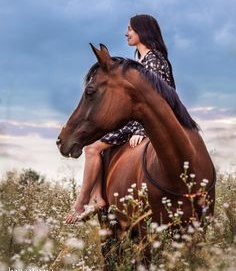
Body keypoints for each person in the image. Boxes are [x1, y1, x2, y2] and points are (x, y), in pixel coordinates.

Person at [66, 14, 176, 223]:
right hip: (135, 122)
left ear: (143, 31)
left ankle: (84, 200)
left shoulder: (155, 60)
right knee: (94, 144)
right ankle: (97, 195)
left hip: (144, 124)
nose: (126, 33)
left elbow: (159, 99)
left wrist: (141, 130)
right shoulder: (140, 60)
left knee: (92, 148)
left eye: (130, 29)